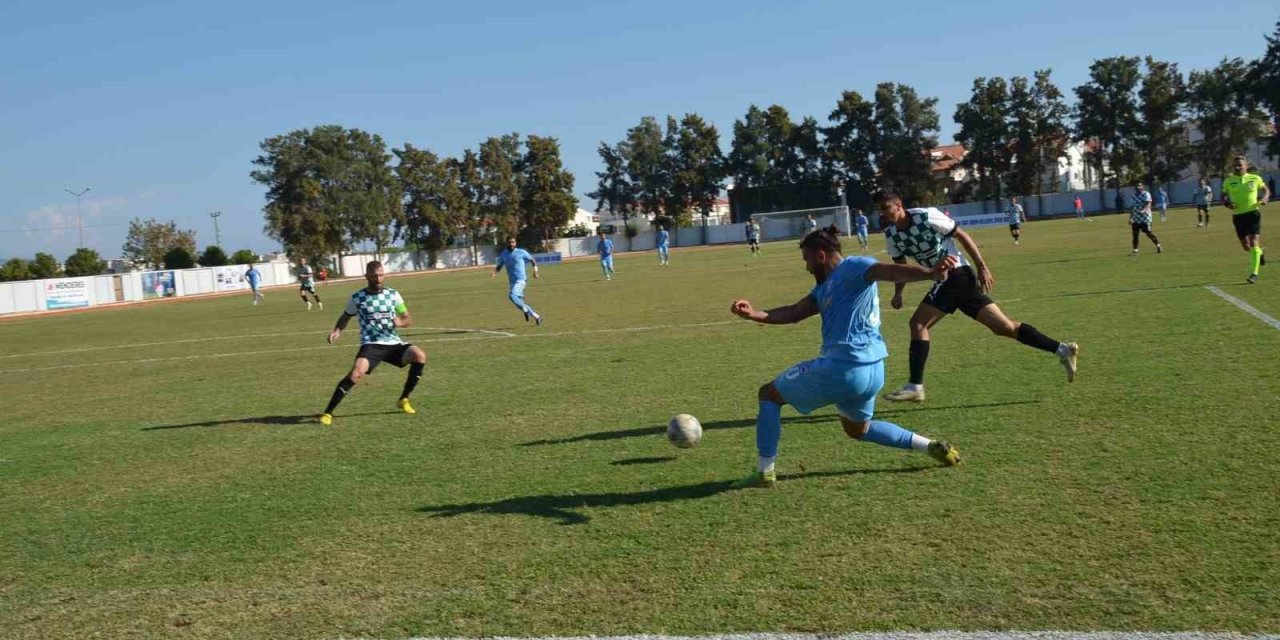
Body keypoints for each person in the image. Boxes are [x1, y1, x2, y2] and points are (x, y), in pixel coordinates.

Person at [726, 226, 961, 488]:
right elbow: (793, 312)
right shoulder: (824, 288)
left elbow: (889, 271)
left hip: (843, 367)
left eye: (807, 259)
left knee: (768, 394)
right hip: (873, 370)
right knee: (858, 429)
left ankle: (763, 471)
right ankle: (929, 446)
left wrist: (930, 273)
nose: (806, 266)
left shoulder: (854, 267)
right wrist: (754, 314)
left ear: (821, 255)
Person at [874, 191, 1078, 403]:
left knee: (918, 324)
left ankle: (915, 386)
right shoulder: (891, 235)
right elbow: (900, 267)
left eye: (885, 207)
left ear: (899, 204)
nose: (883, 213)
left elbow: (961, 235)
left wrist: (982, 267)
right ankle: (1063, 349)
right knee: (1005, 328)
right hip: (950, 281)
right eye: (879, 209)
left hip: (957, 275)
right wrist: (899, 293)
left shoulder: (926, 216)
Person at [318, 260, 427, 426]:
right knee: (356, 373)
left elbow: (407, 318)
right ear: (367, 276)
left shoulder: (393, 295)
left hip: (393, 343)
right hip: (371, 344)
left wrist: (401, 322)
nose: (379, 279)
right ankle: (328, 412)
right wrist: (337, 331)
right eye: (375, 276)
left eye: (381, 275)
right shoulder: (357, 298)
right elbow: (346, 316)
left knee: (419, 355)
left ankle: (404, 399)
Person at [1222, 155, 1271, 284]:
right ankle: (1259, 253)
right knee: (1246, 246)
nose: (1238, 167)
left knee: (1254, 241)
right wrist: (1228, 204)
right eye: (1236, 165)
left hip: (1253, 213)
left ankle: (1254, 273)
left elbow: (1266, 190)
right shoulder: (1228, 181)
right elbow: (1223, 196)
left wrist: (1265, 198)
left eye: (1240, 165)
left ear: (1246, 166)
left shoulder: (1255, 178)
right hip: (1238, 216)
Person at [492, 237, 543, 324]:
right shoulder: (504, 254)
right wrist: (495, 272)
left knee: (512, 296)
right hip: (512, 281)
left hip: (521, 279)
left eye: (513, 242)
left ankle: (526, 311)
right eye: (510, 242)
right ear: (507, 243)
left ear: (515, 243)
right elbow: (500, 265)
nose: (512, 244)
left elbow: (532, 260)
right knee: (518, 302)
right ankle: (537, 317)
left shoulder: (521, 252)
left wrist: (535, 271)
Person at [1129, 183, 1164, 256]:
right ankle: (1135, 250)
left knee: (1148, 233)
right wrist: (1131, 218)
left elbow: (1148, 203)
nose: (1137, 187)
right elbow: (1132, 207)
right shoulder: (1133, 196)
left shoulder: (1146, 194)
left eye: (1139, 186)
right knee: (1135, 234)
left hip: (1145, 217)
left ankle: (1158, 245)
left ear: (1142, 187)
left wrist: (1144, 210)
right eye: (1136, 186)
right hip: (1136, 218)